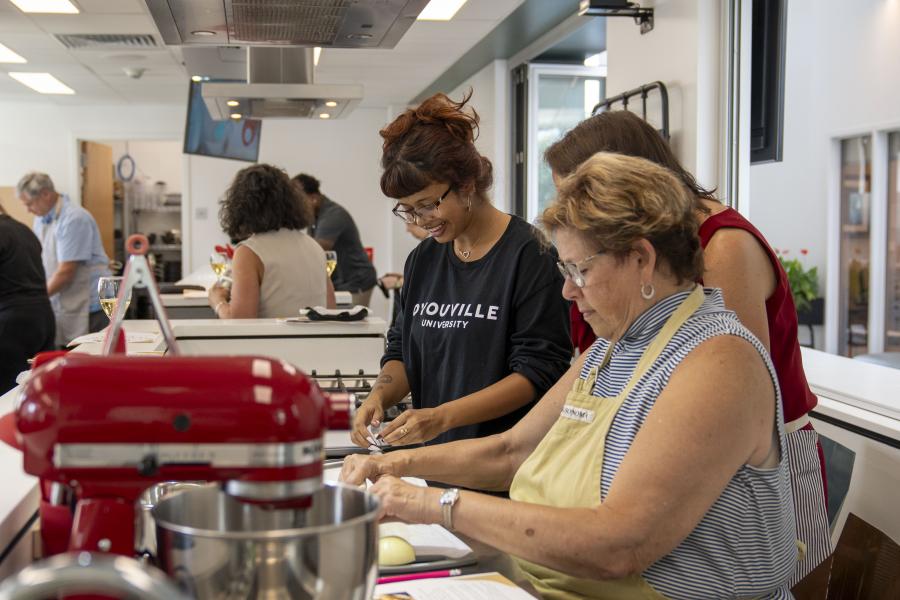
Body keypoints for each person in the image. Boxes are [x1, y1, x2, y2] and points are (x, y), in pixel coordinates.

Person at [342, 152, 798, 599]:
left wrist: (433, 505)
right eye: (565, 269)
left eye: (579, 269)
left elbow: (619, 545)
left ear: (642, 258)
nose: (567, 289)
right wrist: (390, 466)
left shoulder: (717, 361)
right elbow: (510, 451)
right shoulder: (610, 347)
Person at [544, 109, 830, 589]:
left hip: (757, 458)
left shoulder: (722, 246)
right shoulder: (623, 261)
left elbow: (732, 388)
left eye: (581, 191)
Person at [350, 91, 571, 451]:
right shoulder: (424, 259)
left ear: (466, 187)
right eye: (407, 210)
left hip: (504, 462)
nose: (421, 220)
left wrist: (443, 416)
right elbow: (402, 351)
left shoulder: (529, 254)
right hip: (436, 458)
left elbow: (537, 373)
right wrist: (378, 398)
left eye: (427, 204)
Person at [208, 164, 335, 319]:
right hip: (319, 343)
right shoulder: (314, 247)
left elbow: (240, 323)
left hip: (273, 343)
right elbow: (330, 309)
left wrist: (218, 301)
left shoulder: (249, 253)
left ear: (241, 207)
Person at [17, 172, 110, 347]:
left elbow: (66, 271)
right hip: (63, 300)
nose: (28, 210)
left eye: (29, 204)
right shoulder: (41, 219)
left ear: (45, 194)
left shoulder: (74, 218)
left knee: (91, 359)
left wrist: (37, 298)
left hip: (90, 305)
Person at [293, 173, 377, 306]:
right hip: (341, 282)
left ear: (313, 198)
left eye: (298, 201)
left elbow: (318, 248)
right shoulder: (314, 216)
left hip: (357, 282)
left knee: (350, 326)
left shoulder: (333, 215)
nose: (296, 207)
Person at [0, 204, 55, 393]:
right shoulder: (23, 230)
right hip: (43, 317)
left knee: (7, 392)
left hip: (12, 322)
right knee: (37, 387)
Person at [378, 221, 429, 326]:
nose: (407, 230)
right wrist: (402, 278)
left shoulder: (431, 248)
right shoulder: (426, 247)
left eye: (409, 224)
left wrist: (398, 283)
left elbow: (427, 282)